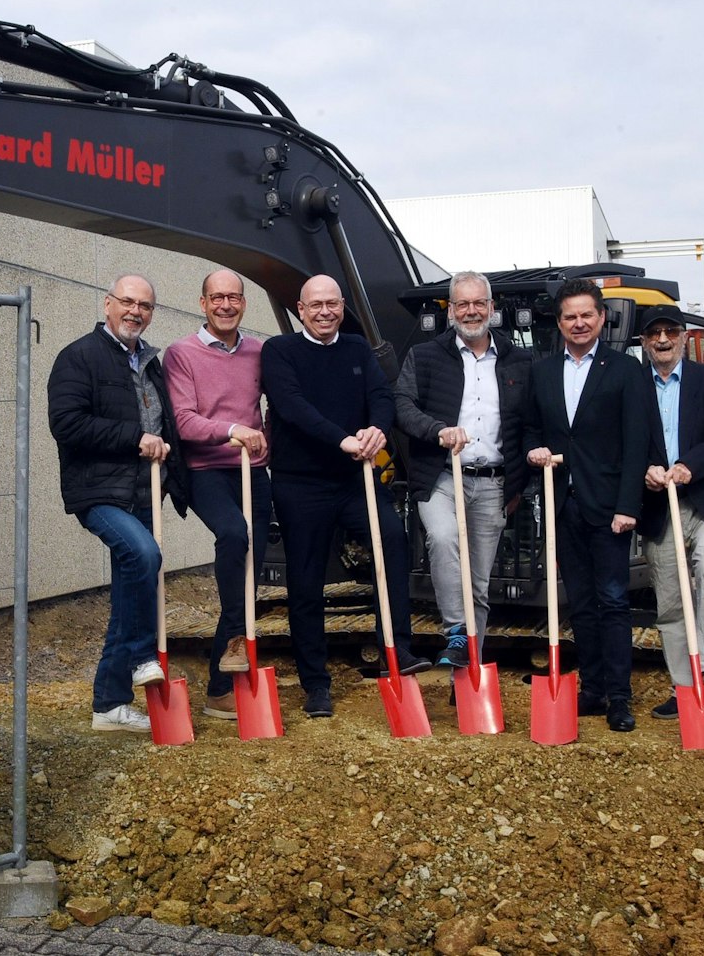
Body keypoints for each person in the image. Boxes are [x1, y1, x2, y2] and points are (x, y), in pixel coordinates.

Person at [261, 275, 428, 718]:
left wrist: (377, 429)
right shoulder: (280, 352)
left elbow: (382, 396)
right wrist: (341, 440)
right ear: (300, 309)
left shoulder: (356, 348)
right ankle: (316, 683)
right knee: (306, 581)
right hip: (301, 485)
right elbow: (292, 407)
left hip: (355, 480)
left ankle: (398, 649)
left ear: (342, 306)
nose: (324, 312)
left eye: (332, 304)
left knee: (392, 540)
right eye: (316, 305)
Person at [47, 274, 191, 732]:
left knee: (130, 590)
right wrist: (136, 438)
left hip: (145, 489)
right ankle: (142, 655)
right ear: (108, 304)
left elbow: (164, 424)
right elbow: (66, 423)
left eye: (145, 306)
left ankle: (108, 706)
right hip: (99, 492)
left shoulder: (151, 362)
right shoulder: (79, 356)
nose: (136, 311)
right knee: (144, 554)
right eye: (127, 302)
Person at [525, 278, 654, 733]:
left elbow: (637, 442)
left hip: (609, 508)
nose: (578, 323)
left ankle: (620, 697)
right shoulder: (541, 372)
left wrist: (628, 506)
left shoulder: (624, 370)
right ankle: (594, 690)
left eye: (586, 315)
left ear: (601, 318)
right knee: (580, 603)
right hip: (564, 504)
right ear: (558, 323)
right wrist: (534, 450)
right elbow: (530, 428)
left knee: (614, 601)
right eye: (569, 316)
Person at [391, 270, 532, 667]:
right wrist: (437, 431)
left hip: (494, 482)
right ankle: (456, 629)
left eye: (479, 303)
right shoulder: (425, 355)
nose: (471, 311)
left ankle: (465, 675)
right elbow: (401, 406)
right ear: (450, 310)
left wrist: (520, 483)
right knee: (442, 535)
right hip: (441, 475)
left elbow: (529, 423)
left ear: (492, 308)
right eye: (462, 304)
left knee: (478, 586)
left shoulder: (519, 360)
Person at [163, 269, 271, 721]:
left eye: (235, 297)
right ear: (203, 303)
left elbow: (277, 405)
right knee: (233, 534)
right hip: (208, 470)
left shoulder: (258, 351)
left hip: (254, 472)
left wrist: (268, 438)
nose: (226, 305)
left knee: (252, 568)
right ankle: (231, 651)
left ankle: (220, 687)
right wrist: (233, 431)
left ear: (244, 303)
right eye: (217, 298)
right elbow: (184, 421)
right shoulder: (181, 354)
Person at [634, 304, 704, 720]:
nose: (663, 339)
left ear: (683, 336)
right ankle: (685, 687)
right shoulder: (633, 385)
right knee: (671, 599)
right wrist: (645, 468)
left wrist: (689, 466)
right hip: (660, 507)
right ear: (644, 342)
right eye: (654, 333)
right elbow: (626, 440)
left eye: (670, 331)